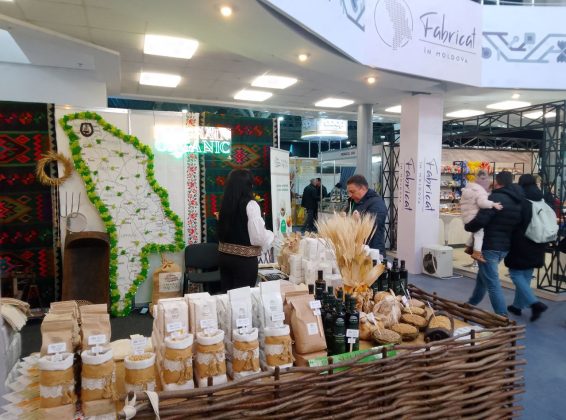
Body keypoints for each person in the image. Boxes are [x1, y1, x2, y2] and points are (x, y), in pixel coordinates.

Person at [464, 171, 523, 316]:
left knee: (492, 283)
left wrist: (468, 226)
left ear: (497, 182)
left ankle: (502, 316)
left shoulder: (494, 198)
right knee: (483, 278)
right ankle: (470, 304)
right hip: (505, 246)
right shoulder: (517, 201)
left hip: (489, 245)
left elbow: (481, 220)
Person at [217, 169, 274, 292]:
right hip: (243, 261)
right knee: (242, 299)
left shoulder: (225, 204)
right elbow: (258, 238)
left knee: (228, 296)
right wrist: (270, 235)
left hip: (224, 258)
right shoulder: (251, 204)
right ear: (248, 186)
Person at [504, 174, 548, 321]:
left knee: (515, 273)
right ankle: (517, 306)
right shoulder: (542, 199)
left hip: (521, 242)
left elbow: (515, 222)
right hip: (539, 241)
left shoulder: (522, 201)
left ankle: (535, 303)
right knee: (527, 275)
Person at [460, 169, 503, 263]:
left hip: (467, 217)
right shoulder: (480, 190)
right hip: (474, 217)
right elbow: (482, 203)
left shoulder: (469, 188)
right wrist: (493, 204)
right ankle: (477, 253)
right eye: (485, 179)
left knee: (475, 232)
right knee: (479, 234)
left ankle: (468, 247)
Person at [345, 174, 387, 258]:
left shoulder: (377, 203)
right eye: (348, 192)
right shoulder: (353, 202)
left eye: (352, 192)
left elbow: (375, 224)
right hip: (356, 250)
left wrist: (359, 220)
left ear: (363, 188)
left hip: (372, 251)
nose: (350, 195)